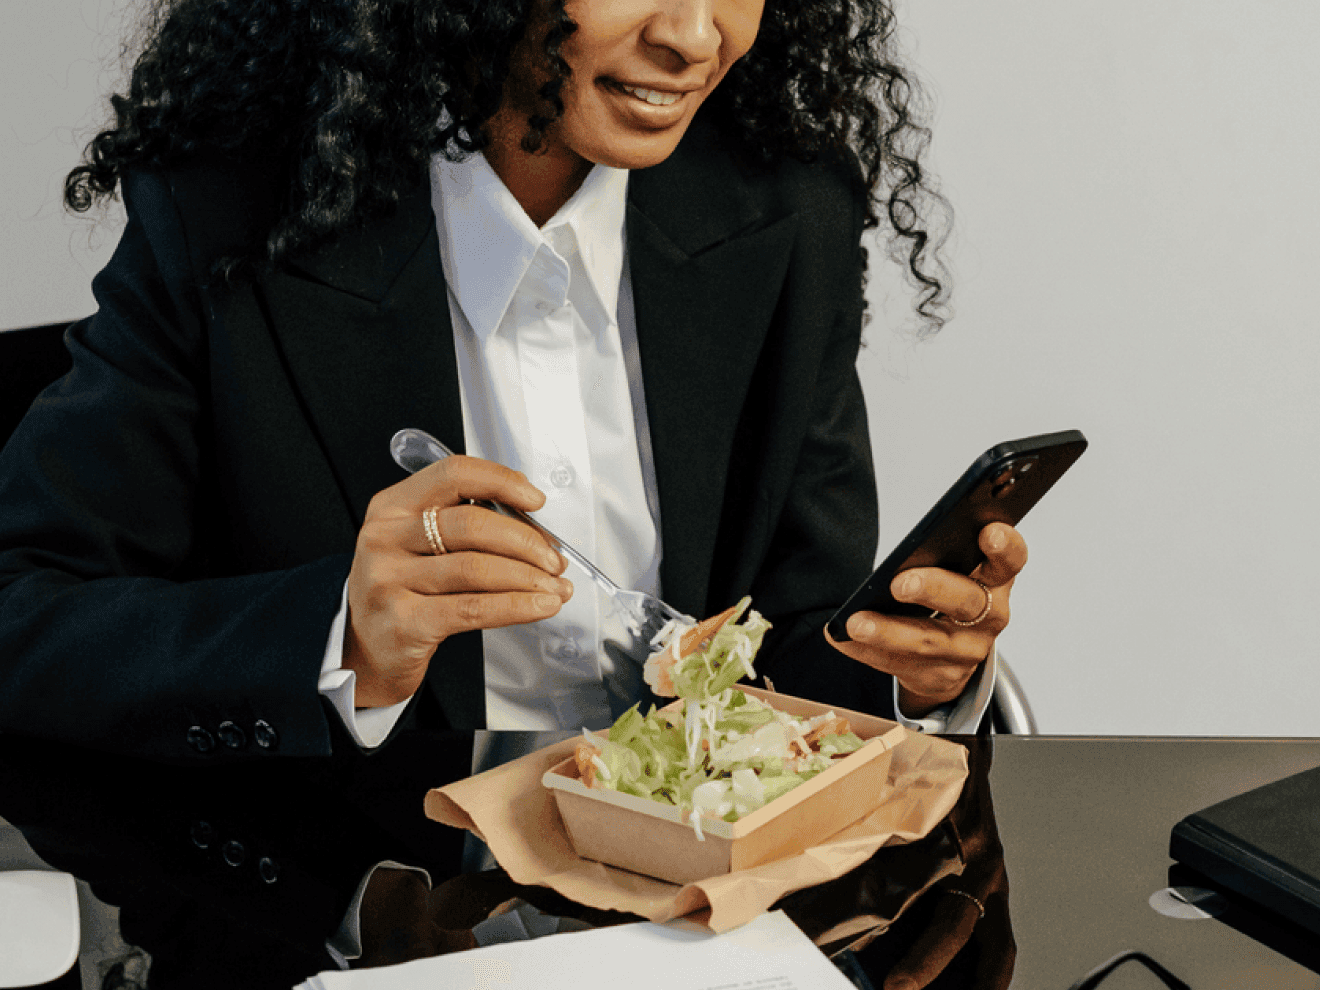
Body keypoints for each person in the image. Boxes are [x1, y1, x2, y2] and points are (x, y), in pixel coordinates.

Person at [0, 0, 1028, 761]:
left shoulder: (789, 214)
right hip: (363, 912)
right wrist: (340, 636)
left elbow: (791, 648)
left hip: (705, 919)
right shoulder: (227, 223)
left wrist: (907, 673)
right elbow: (23, 620)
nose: (694, 34)